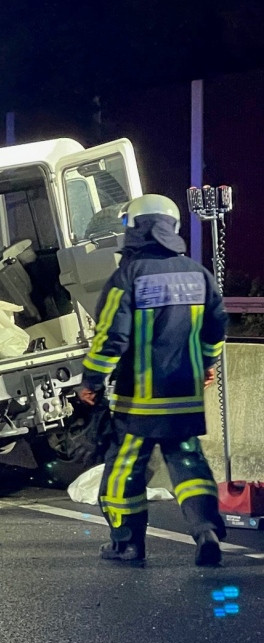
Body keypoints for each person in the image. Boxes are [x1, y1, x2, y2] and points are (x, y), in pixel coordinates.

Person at [78, 193, 229, 566]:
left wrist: (92, 381)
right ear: (172, 228)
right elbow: (216, 329)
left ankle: (126, 543)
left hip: (139, 401)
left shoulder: (127, 276)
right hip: (186, 396)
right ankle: (206, 531)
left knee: (124, 470)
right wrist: (206, 365)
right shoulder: (199, 274)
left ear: (134, 228)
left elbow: (111, 338)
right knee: (189, 463)